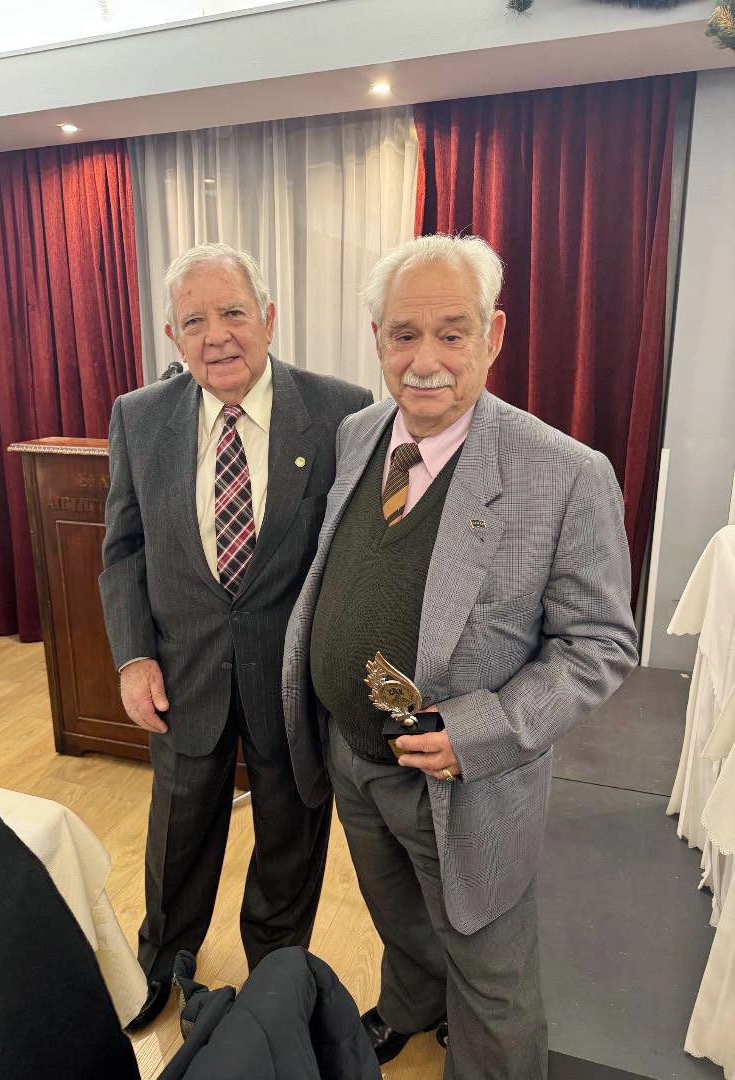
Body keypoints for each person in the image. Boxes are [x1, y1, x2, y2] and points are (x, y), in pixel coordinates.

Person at [282, 234, 639, 1078]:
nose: (426, 361)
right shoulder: (359, 433)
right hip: (353, 756)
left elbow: (600, 643)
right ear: (377, 339)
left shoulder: (565, 473)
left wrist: (480, 734)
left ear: (494, 334)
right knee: (397, 918)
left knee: (492, 970)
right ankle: (412, 1004)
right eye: (404, 334)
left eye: (452, 333)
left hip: (466, 783)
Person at [100, 242, 373, 1030]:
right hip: (182, 674)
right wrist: (133, 656)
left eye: (233, 313)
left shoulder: (342, 410)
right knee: (177, 834)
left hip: (294, 680)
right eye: (194, 321)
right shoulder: (138, 417)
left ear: (269, 319)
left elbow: (358, 553)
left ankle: (277, 979)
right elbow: (123, 550)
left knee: (291, 833)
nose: (216, 335)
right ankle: (162, 962)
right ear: (172, 335)